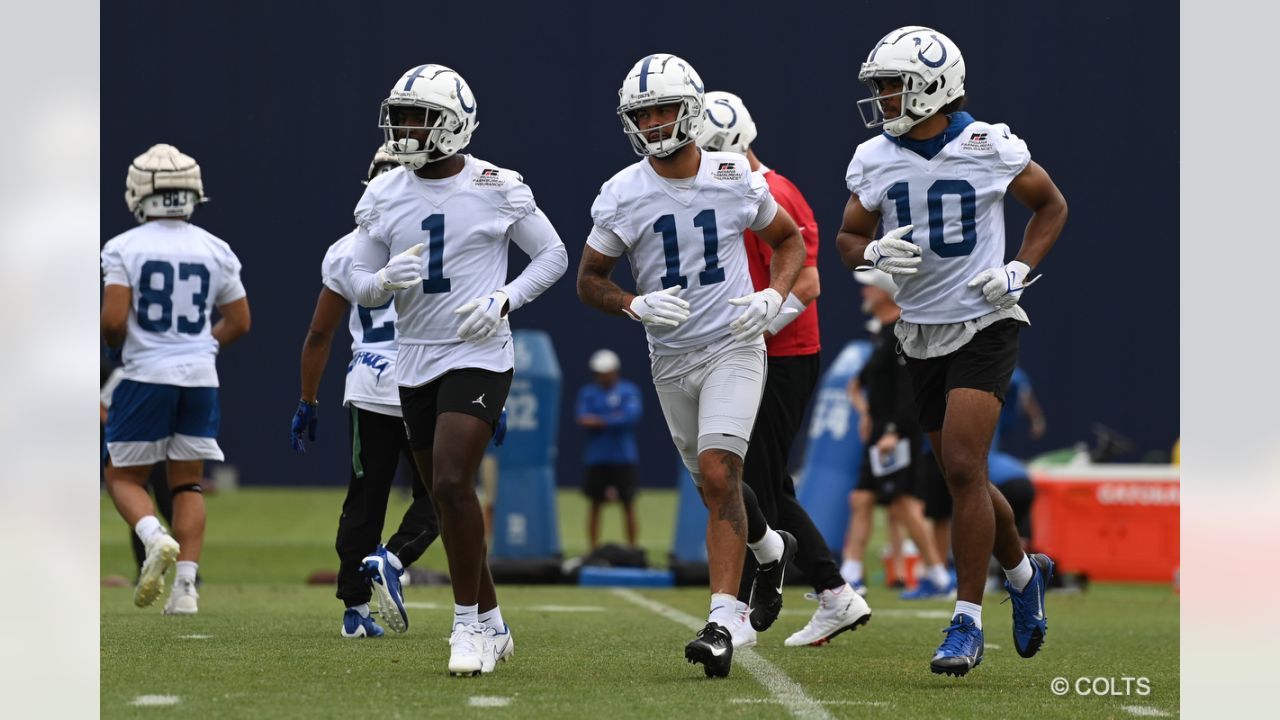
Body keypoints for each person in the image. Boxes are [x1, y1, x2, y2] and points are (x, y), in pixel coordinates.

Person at [836, 26, 1068, 676]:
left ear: (932, 86)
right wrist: (872, 253)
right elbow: (849, 236)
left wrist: (1019, 270)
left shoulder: (988, 144)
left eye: (893, 85)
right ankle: (1023, 574)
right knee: (962, 476)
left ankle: (967, 622)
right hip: (921, 328)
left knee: (965, 465)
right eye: (879, 86)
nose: (882, 97)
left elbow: (1050, 206)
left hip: (986, 320)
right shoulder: (875, 157)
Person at [576, 54, 805, 678]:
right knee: (716, 485)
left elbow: (789, 242)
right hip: (669, 355)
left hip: (733, 343)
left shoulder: (733, 173)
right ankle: (769, 549)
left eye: (663, 110)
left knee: (717, 468)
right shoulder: (622, 193)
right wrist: (631, 303)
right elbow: (589, 280)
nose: (652, 124)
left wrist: (771, 296)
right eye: (641, 114)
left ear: (692, 111)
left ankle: (722, 619)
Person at [349, 64, 568, 676]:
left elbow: (552, 254)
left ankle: (466, 625)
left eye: (420, 117)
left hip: (479, 350)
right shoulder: (385, 190)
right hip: (413, 352)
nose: (406, 128)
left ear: (454, 124)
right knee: (448, 499)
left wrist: (504, 299)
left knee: (449, 482)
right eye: (402, 115)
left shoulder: (496, 184)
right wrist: (379, 283)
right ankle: (494, 622)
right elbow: (359, 281)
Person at [695, 91, 871, 648]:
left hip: (782, 352)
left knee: (757, 487)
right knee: (767, 486)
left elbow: (810, 283)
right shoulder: (752, 185)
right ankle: (833, 593)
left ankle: (752, 608)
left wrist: (756, 328)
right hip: (770, 349)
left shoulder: (768, 191)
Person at [290, 145, 443, 639]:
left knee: (365, 499)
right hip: (429, 377)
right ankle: (393, 559)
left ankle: (355, 609)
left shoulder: (344, 249)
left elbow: (319, 334)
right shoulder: (441, 235)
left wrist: (307, 400)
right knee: (444, 494)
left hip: (370, 384)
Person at [101, 143, 252, 615]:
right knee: (187, 484)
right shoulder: (215, 248)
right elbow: (240, 320)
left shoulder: (124, 247)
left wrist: (128, 345)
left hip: (146, 374)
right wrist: (202, 347)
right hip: (200, 377)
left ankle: (154, 536)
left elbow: (112, 320)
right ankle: (186, 589)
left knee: (123, 476)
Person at [840, 269, 955, 601]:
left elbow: (909, 392)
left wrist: (891, 432)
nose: (864, 294)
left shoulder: (902, 334)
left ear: (886, 294)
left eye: (870, 289)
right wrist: (866, 415)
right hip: (881, 432)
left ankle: (937, 577)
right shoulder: (882, 336)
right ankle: (851, 576)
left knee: (903, 506)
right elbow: (857, 384)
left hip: (898, 434)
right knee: (861, 499)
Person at [575, 348, 643, 550]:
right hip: (596, 458)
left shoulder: (629, 391)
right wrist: (614, 418)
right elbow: (583, 419)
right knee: (594, 504)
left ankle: (633, 550)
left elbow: (631, 417)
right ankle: (592, 550)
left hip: (624, 457)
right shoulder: (588, 392)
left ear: (615, 370)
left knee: (628, 504)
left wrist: (601, 420)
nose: (603, 376)